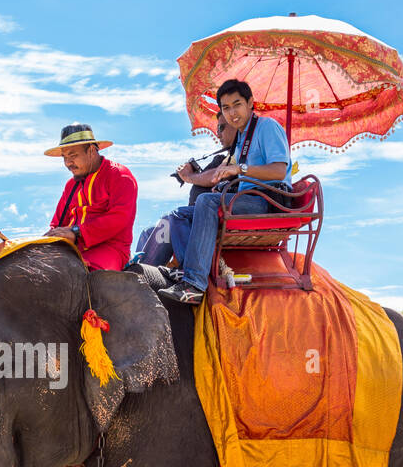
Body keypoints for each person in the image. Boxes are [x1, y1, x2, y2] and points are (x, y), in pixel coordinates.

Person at [154, 79, 292, 305]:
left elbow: (278, 170)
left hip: (265, 200)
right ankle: (186, 270)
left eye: (237, 104)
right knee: (178, 214)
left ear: (250, 103)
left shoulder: (267, 127)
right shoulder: (241, 137)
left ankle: (194, 285)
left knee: (207, 202)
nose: (232, 113)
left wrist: (240, 168)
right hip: (245, 198)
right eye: (226, 108)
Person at [131, 113, 236, 268]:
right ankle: (139, 273)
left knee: (169, 220)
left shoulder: (236, 155)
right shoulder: (227, 155)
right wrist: (194, 173)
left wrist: (188, 176)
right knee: (148, 232)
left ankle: (172, 272)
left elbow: (214, 177)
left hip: (207, 217)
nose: (218, 133)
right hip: (194, 216)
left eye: (221, 127)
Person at [44, 123, 138, 271]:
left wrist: (76, 232)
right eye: (65, 157)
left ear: (92, 151)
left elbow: (118, 218)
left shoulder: (120, 176)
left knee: (81, 274)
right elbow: (58, 223)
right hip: (71, 249)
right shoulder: (70, 185)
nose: (68, 163)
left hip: (110, 250)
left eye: (73, 155)